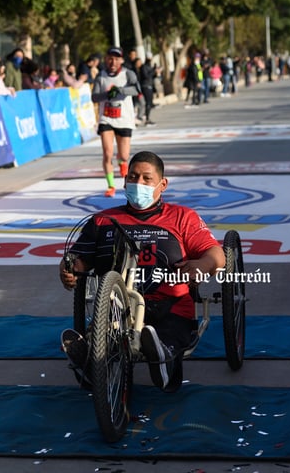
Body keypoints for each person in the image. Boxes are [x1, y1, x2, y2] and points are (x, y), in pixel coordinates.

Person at [59, 151, 225, 392]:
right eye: (133, 177)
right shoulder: (102, 221)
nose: (139, 183)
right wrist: (68, 271)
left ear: (162, 184)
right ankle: (90, 362)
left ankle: (163, 356)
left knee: (164, 334)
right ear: (125, 181)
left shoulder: (182, 218)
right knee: (105, 338)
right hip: (116, 309)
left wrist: (202, 265)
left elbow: (216, 255)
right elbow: (78, 260)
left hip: (170, 304)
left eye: (147, 179)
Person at [91, 46, 141, 197]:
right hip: (106, 118)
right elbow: (94, 98)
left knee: (124, 155)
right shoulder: (101, 76)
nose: (113, 62)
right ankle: (111, 185)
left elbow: (136, 90)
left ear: (121, 60)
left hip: (124, 119)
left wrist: (121, 90)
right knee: (107, 153)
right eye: (110, 58)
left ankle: (123, 163)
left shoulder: (128, 74)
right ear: (106, 60)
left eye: (116, 59)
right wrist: (106, 94)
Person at [138, 54, 157, 126]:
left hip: (150, 86)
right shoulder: (144, 67)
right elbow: (146, 76)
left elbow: (152, 77)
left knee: (150, 103)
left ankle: (147, 118)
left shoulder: (149, 67)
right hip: (146, 87)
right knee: (148, 103)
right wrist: (153, 71)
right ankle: (147, 119)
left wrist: (155, 71)